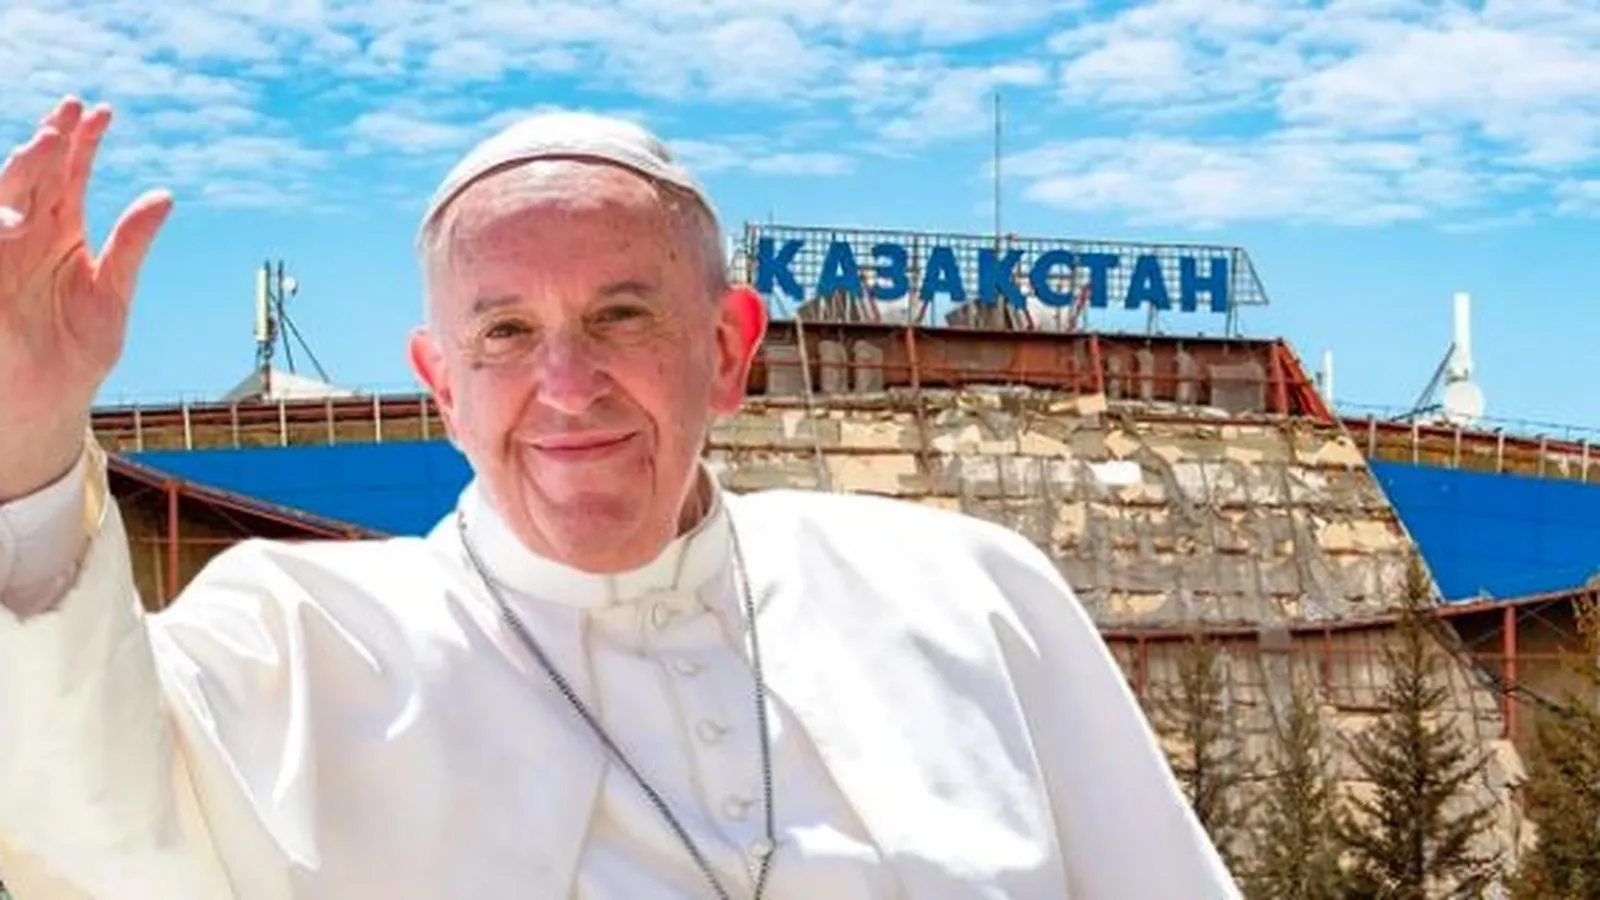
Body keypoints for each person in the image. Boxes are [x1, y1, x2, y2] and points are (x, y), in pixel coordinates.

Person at [0, 95, 1241, 899]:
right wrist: (28, 439)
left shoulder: (968, 594)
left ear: (728, 348)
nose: (566, 385)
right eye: (504, 331)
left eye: (621, 315)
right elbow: (77, 814)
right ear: (442, 385)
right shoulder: (296, 637)